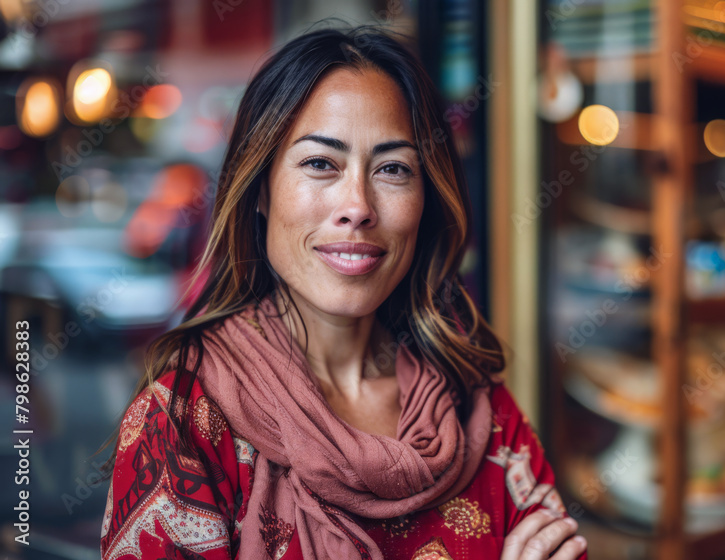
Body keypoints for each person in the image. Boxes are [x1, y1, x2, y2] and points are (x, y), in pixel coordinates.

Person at [99, 25, 588, 560]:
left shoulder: (476, 406)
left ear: (427, 200)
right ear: (260, 187)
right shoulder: (181, 424)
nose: (358, 204)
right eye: (319, 164)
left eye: (393, 169)